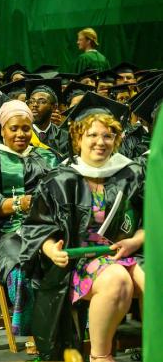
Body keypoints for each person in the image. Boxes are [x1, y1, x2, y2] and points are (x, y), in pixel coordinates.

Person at [21, 92, 144, 361]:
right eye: (92, 135)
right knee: (116, 280)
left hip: (129, 252)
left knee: (154, 280)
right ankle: (101, 356)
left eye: (108, 135)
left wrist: (135, 241)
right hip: (79, 260)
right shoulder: (60, 179)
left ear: (117, 139)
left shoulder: (131, 173)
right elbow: (38, 227)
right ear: (78, 138)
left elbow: (152, 220)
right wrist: (52, 249)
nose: (101, 142)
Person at [0, 100, 59, 337]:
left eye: (26, 128)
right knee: (21, 266)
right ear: (2, 130)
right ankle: (33, 331)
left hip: (47, 230)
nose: (20, 134)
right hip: (8, 232)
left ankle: (66, 326)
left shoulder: (46, 157)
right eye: (14, 128)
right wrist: (21, 203)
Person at [26, 78, 69, 157]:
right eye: (31, 101)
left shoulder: (64, 137)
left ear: (54, 107)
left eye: (42, 101)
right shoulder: (24, 135)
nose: (34, 105)